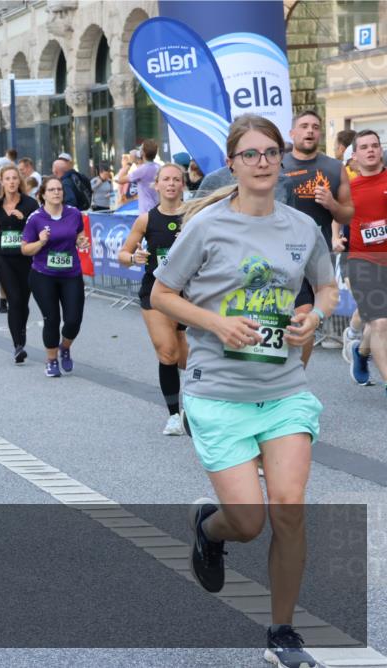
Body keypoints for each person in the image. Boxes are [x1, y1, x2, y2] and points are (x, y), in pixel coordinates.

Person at [151, 114, 337, 668]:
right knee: (249, 523)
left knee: (288, 508)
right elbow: (163, 294)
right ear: (232, 164)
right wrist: (215, 324)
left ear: (281, 161)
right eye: (251, 154)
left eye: (270, 153)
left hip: (283, 388)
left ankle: (283, 633)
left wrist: (313, 316)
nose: (262, 162)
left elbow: (327, 286)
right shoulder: (206, 227)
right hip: (219, 392)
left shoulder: (302, 227)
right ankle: (211, 527)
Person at [118, 163, 189, 435]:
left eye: (176, 179)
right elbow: (123, 255)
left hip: (189, 292)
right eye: (166, 179)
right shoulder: (146, 219)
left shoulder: (195, 217)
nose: (171, 184)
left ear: (183, 185)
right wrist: (133, 257)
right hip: (156, 291)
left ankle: (196, 405)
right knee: (167, 352)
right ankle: (174, 415)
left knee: (187, 359)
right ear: (155, 185)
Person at [281, 109, 354, 365]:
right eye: (304, 126)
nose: (309, 130)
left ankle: (297, 375)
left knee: (305, 315)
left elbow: (346, 215)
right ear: (293, 132)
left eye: (314, 126)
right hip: (276, 253)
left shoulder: (333, 168)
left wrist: (333, 204)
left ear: (320, 133)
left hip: (314, 256)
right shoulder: (278, 165)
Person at [21, 176, 89, 377]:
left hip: (71, 274)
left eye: (59, 189)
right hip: (43, 275)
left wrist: (81, 242)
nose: (57, 193)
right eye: (51, 190)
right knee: (52, 319)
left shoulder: (74, 214)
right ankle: (51, 361)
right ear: (43, 194)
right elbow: (25, 249)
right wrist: (41, 242)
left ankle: (65, 347)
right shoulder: (35, 218)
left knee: (73, 320)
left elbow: (79, 235)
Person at [0, 164, 39, 364]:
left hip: (25, 257)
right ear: (2, 182)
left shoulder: (30, 204)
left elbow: (39, 226)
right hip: (3, 258)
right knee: (14, 298)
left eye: (14, 178)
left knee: (23, 302)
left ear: (19, 181)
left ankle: (21, 334)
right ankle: (18, 346)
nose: (11, 182)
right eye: (7, 178)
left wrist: (25, 219)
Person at [338, 130, 387, 395]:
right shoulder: (348, 188)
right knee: (380, 322)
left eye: (375, 146)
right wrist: (335, 237)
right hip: (361, 260)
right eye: (364, 147)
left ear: (381, 150)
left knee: (379, 322)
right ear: (354, 155)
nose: (371, 150)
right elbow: (337, 217)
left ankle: (361, 350)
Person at [117, 140, 159, 213]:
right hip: (158, 208)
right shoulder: (159, 167)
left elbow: (120, 179)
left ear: (142, 153)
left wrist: (130, 162)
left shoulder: (142, 170)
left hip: (146, 211)